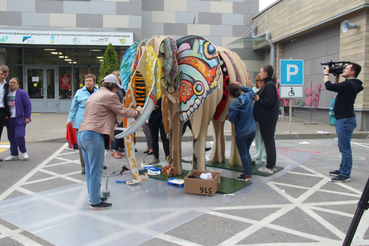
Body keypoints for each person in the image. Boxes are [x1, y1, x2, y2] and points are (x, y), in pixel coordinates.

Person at [78, 74, 142, 210]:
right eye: (116, 88)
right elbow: (122, 111)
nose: (117, 91)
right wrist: (137, 112)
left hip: (83, 133)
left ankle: (93, 197)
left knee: (89, 170)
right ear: (111, 85)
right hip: (94, 135)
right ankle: (95, 202)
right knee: (96, 170)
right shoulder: (109, 96)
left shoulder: (94, 95)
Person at [324, 63, 363, 182]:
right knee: (343, 147)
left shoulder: (350, 84)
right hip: (345, 119)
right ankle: (342, 169)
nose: (343, 70)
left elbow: (329, 86)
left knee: (345, 148)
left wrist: (326, 73)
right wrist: (336, 75)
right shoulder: (352, 84)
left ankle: (345, 174)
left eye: (346, 69)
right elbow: (337, 87)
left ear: (352, 72)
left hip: (345, 120)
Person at [66, 74, 98, 175]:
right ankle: (84, 166)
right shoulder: (79, 93)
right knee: (82, 146)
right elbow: (73, 107)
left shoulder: (98, 93)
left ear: (94, 82)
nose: (87, 82)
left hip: (94, 123)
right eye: (86, 81)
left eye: (89, 81)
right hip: (81, 123)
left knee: (95, 144)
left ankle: (96, 164)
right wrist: (69, 120)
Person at [253, 64, 279, 175]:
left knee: (269, 142)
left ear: (266, 73)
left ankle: (270, 166)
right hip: (266, 119)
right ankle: (270, 165)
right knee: (269, 142)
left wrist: (258, 100)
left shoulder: (269, 85)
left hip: (267, 120)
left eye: (261, 71)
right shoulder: (268, 85)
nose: (260, 73)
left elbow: (269, 102)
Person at [228, 82, 256, 181]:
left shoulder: (233, 105)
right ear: (239, 91)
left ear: (230, 94)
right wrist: (241, 86)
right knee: (246, 152)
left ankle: (247, 175)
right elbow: (251, 91)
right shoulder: (247, 96)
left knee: (243, 153)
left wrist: (229, 118)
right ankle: (248, 172)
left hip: (242, 133)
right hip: (252, 130)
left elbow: (233, 120)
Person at [4, 77, 31, 161]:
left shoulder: (22, 93)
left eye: (14, 82)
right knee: (11, 137)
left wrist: (27, 117)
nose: (11, 84)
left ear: (18, 84)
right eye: (10, 82)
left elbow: (28, 105)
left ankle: (23, 151)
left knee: (19, 135)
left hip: (19, 118)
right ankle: (14, 154)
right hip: (9, 119)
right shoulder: (7, 93)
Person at [148, 98, 170, 165]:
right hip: (152, 117)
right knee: (154, 139)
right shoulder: (150, 93)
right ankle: (155, 157)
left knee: (165, 138)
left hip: (163, 117)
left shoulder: (164, 93)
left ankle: (168, 156)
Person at [110, 71, 125, 159]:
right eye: (118, 75)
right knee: (117, 131)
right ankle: (114, 150)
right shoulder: (114, 89)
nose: (120, 76)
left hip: (120, 112)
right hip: (116, 113)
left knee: (118, 131)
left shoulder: (120, 88)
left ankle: (115, 149)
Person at [252, 73, 267, 163]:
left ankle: (265, 155)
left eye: (261, 80)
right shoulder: (254, 90)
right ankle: (258, 153)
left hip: (264, 116)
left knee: (265, 137)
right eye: (257, 80)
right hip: (256, 116)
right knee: (257, 136)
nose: (259, 82)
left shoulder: (266, 90)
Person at [0, 66, 10, 162]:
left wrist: (6, 112)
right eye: (2, 74)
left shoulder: (6, 85)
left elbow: (6, 99)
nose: (3, 76)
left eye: (5, 75)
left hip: (1, 110)